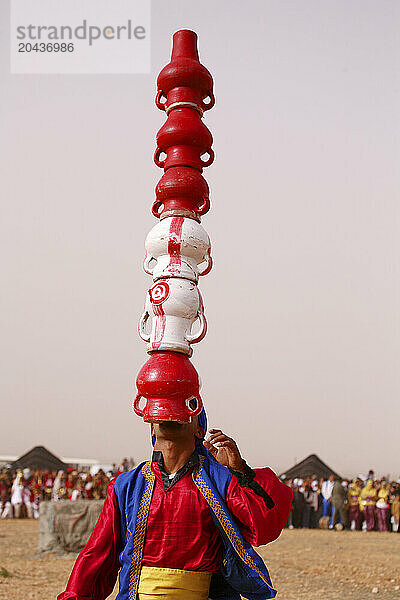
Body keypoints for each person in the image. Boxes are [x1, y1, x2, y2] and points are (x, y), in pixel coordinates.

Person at [58, 409, 292, 600]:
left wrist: (239, 471)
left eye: (184, 408)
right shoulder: (127, 485)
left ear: (200, 429)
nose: (170, 415)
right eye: (162, 411)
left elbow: (265, 525)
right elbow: (98, 554)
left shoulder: (219, 480)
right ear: (152, 426)